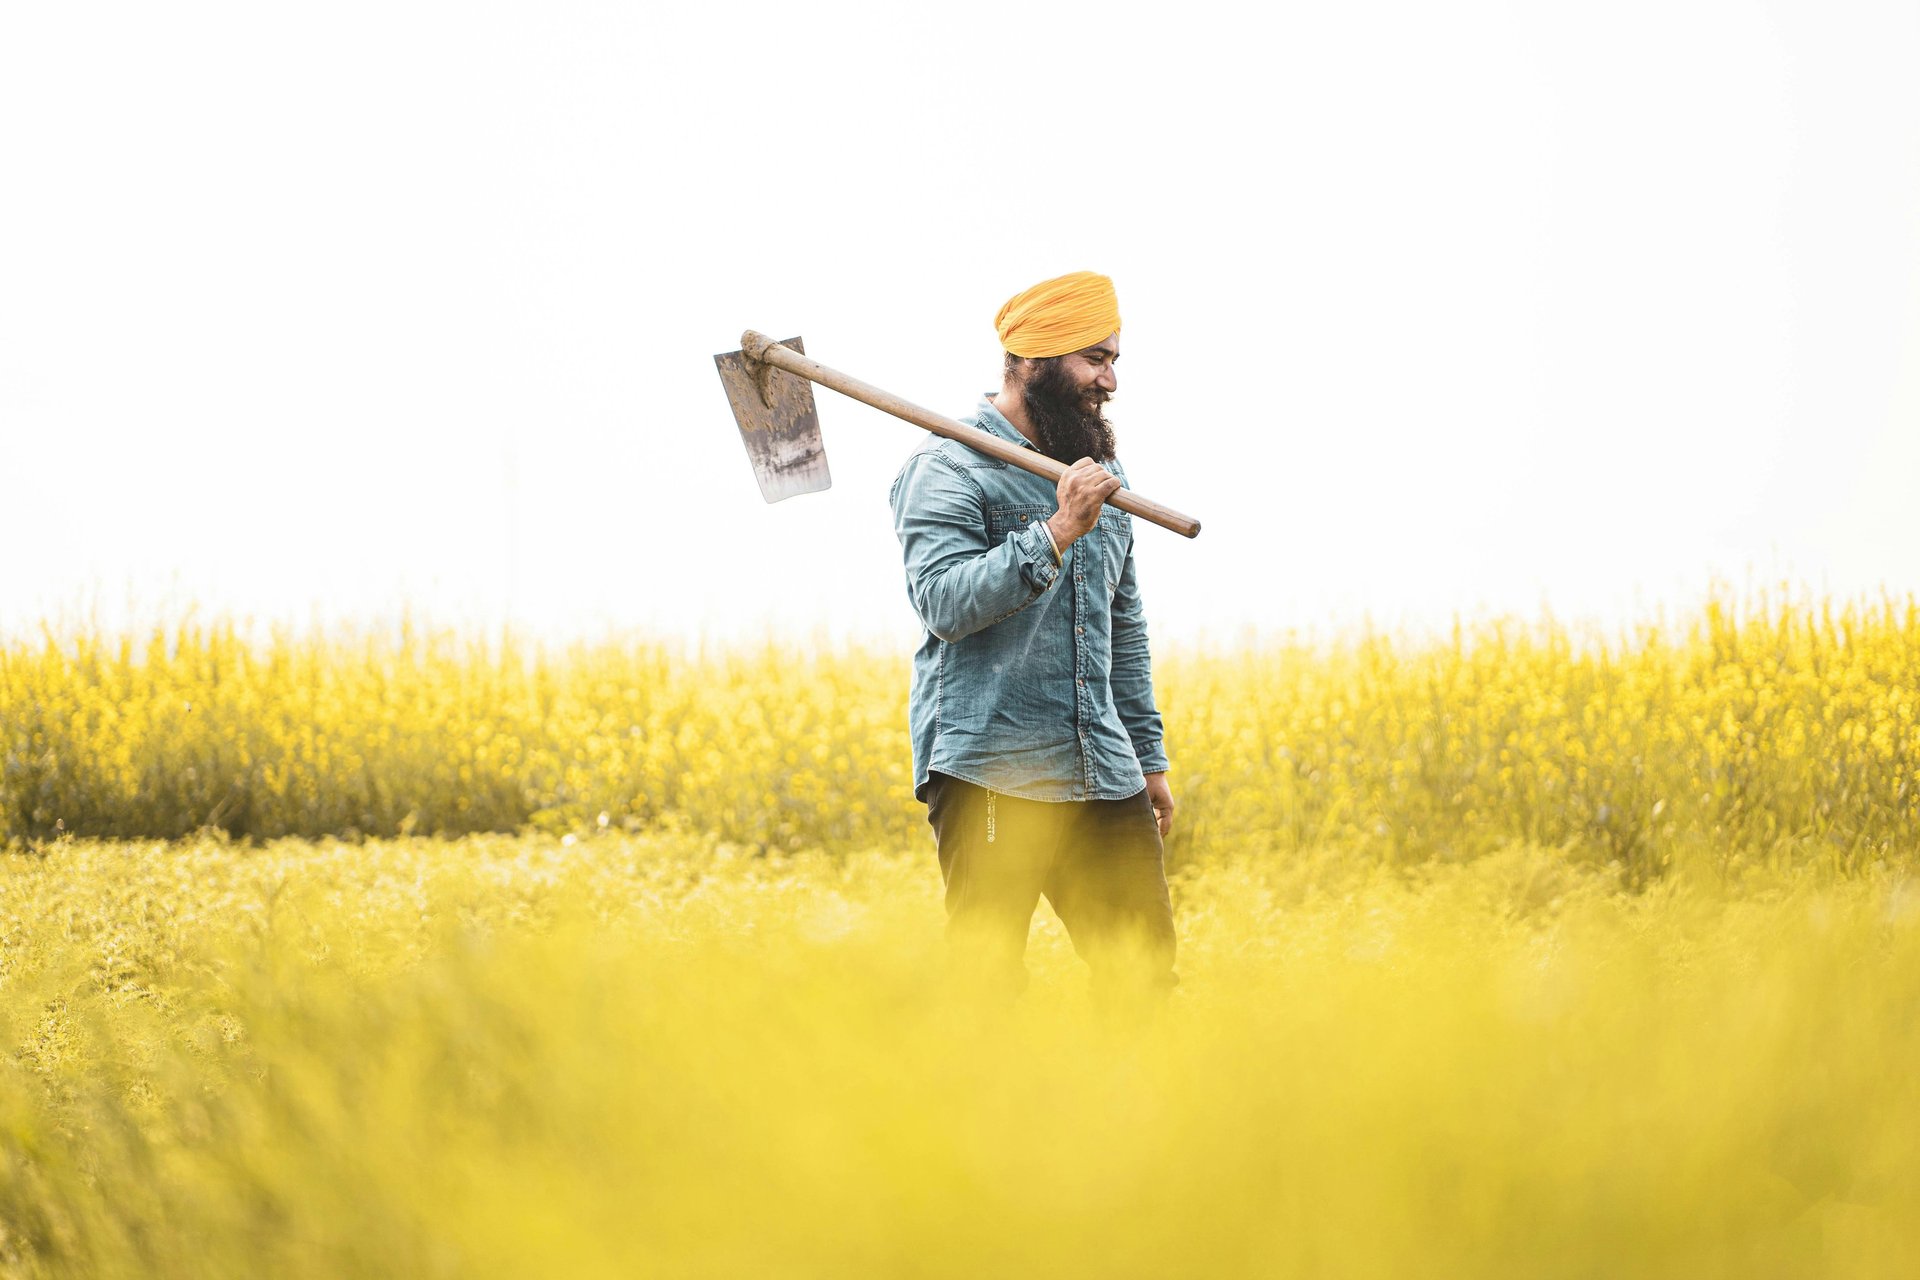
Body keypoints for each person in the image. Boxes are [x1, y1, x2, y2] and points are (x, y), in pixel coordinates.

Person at [888, 270, 1177, 1006]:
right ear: (1030, 361)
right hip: (992, 768)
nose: (1109, 379)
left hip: (1101, 770)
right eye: (1093, 358)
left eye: (1113, 359)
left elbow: (1124, 626)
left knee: (1141, 979)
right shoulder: (947, 468)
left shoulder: (1102, 477)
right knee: (986, 990)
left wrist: (1146, 757)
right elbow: (944, 603)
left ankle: (1141, 1121)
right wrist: (1053, 534)